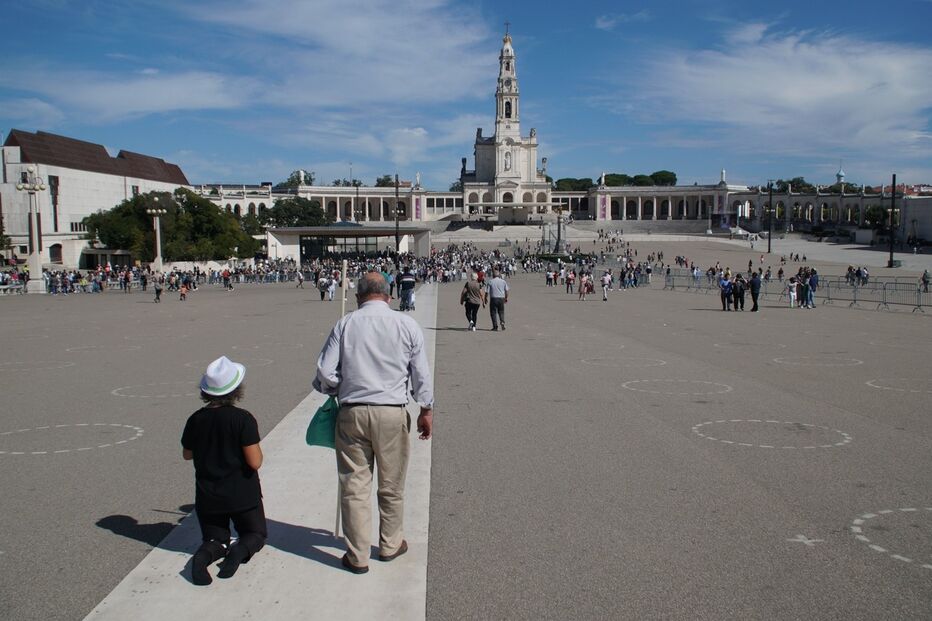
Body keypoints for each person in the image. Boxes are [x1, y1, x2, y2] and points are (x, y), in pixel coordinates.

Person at [314, 273, 433, 575]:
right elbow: (420, 374)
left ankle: (357, 555)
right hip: (391, 411)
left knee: (354, 486)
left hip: (353, 411)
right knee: (391, 485)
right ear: (389, 295)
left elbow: (325, 371)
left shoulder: (345, 324)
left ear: (358, 297)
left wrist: (335, 387)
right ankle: (390, 544)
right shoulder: (406, 324)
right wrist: (426, 408)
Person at [182, 356, 266, 586]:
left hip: (208, 494)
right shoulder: (242, 419)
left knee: (215, 539)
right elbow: (255, 462)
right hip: (242, 493)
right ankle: (238, 552)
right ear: (236, 390)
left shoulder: (196, 419)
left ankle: (203, 557)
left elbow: (187, 454)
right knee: (255, 534)